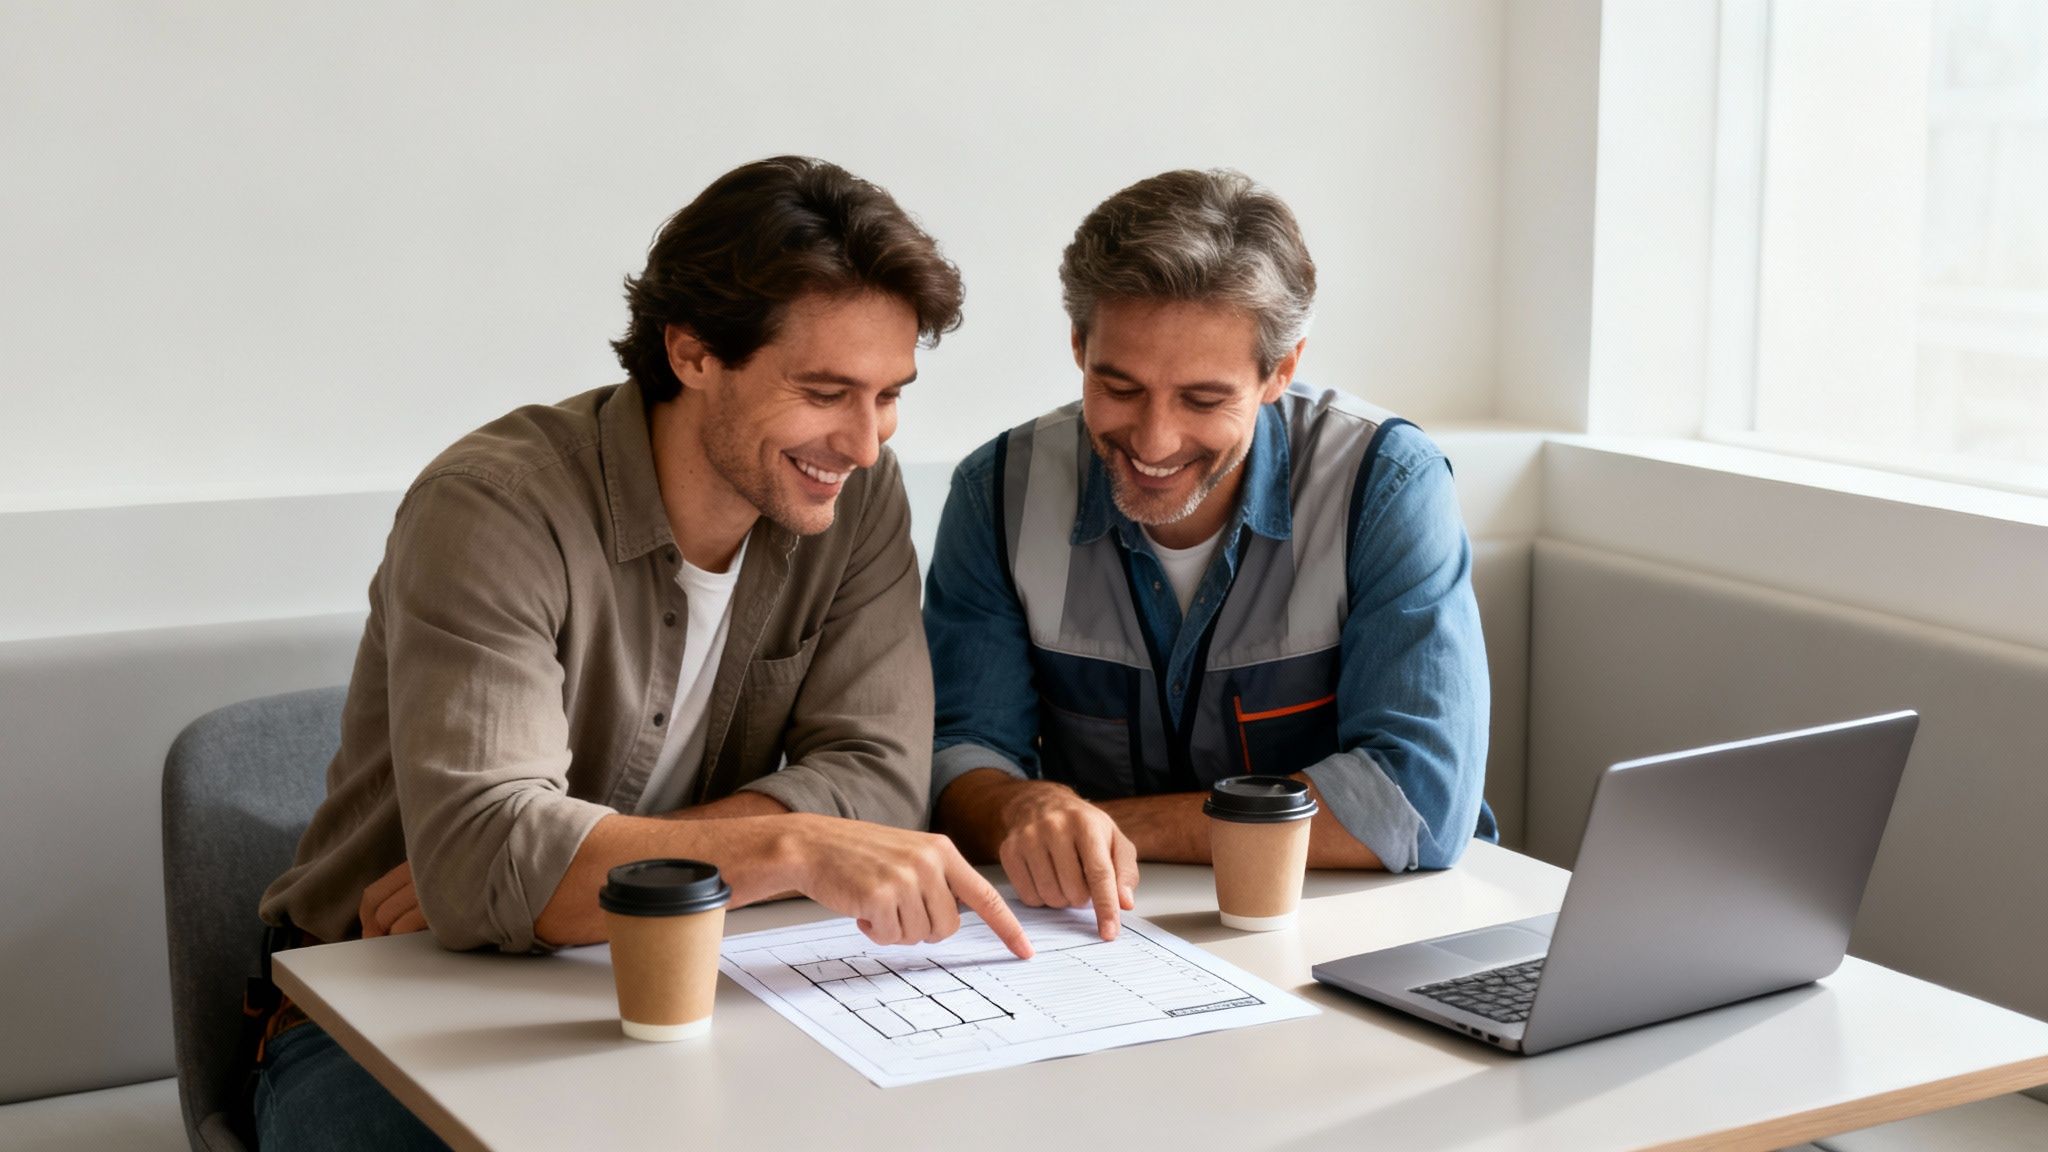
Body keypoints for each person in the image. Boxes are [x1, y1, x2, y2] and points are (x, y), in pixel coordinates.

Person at [251, 156, 1029, 1151]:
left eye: (889, 395)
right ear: (693, 352)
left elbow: (880, 785)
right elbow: (490, 857)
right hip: (381, 1000)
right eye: (827, 390)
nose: (866, 443)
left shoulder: (855, 499)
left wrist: (573, 866)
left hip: (691, 970)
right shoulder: (493, 508)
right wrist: (787, 846)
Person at [924, 168, 1497, 943]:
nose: (1154, 442)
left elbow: (1416, 805)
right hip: (1090, 940)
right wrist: (1019, 806)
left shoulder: (1386, 486)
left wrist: (1089, 822)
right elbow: (960, 758)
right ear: (1077, 347)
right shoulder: (996, 493)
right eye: (1118, 387)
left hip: (1361, 928)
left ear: (1280, 372)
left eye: (1202, 400)